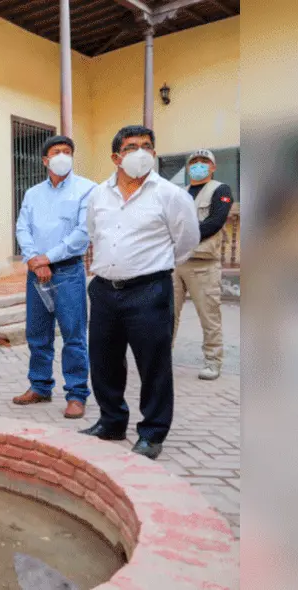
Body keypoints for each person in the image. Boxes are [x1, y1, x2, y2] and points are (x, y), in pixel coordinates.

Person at [80, 125, 199, 460]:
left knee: (153, 364)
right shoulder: (98, 195)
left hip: (148, 290)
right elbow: (94, 233)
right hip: (104, 290)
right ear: (116, 156)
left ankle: (152, 433)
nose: (141, 153)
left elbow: (187, 240)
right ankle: (112, 421)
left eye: (147, 146)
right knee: (103, 362)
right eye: (132, 147)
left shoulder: (170, 195)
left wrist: (153, 267)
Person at [13, 135, 96, 419]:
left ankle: (76, 394)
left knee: (73, 335)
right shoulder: (33, 193)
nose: (62, 156)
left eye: (67, 151)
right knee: (37, 334)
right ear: (45, 160)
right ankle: (39, 386)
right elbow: (22, 227)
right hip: (36, 272)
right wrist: (35, 260)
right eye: (56, 152)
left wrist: (48, 258)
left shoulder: (87, 190)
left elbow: (82, 233)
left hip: (68, 271)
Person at [173, 148, 234, 381]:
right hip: (176, 263)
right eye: (194, 162)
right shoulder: (181, 193)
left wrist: (184, 237)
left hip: (203, 263)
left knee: (209, 316)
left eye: (204, 161)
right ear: (188, 168)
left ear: (213, 166)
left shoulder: (220, 190)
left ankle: (212, 361)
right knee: (168, 315)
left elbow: (215, 222)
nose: (199, 165)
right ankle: (161, 360)